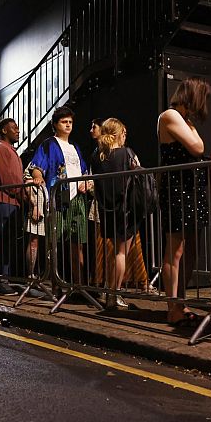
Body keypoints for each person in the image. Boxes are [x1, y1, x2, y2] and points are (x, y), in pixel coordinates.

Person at [157, 77, 209, 326]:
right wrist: (194, 135)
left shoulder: (185, 120)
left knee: (190, 247)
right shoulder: (169, 115)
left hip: (190, 187)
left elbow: (198, 145)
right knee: (175, 249)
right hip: (177, 188)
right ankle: (173, 307)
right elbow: (197, 147)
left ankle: (180, 301)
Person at [29, 106, 90, 294]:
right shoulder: (48, 144)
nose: (68, 125)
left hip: (77, 199)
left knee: (77, 241)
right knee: (54, 243)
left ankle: (79, 286)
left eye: (70, 122)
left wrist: (86, 184)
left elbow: (85, 172)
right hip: (58, 198)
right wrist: (38, 176)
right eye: (64, 122)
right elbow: (37, 166)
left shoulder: (75, 147)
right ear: (55, 124)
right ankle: (56, 286)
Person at [90, 118, 140, 309]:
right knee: (121, 253)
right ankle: (114, 294)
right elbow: (139, 172)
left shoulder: (96, 156)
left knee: (114, 253)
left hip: (105, 209)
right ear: (119, 133)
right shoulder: (126, 153)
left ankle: (111, 290)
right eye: (124, 133)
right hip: (125, 208)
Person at [0, 118, 26, 295]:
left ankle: (3, 278)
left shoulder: (10, 150)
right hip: (4, 200)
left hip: (12, 200)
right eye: (14, 128)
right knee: (3, 242)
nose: (17, 131)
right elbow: (7, 179)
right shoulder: (0, 148)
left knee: (8, 242)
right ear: (4, 130)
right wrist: (24, 194)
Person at [24, 169, 47, 278]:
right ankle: (31, 274)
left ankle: (48, 276)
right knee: (34, 241)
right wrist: (34, 205)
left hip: (50, 204)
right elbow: (27, 185)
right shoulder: (33, 164)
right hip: (37, 205)